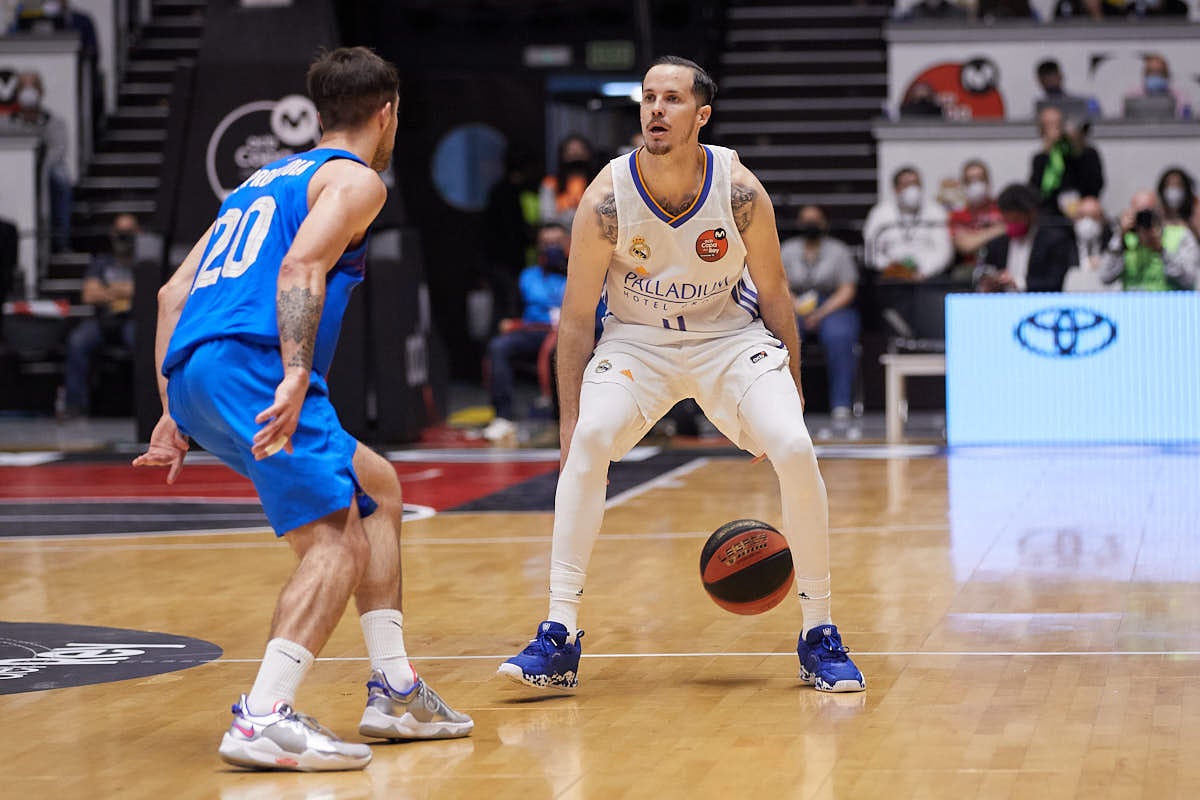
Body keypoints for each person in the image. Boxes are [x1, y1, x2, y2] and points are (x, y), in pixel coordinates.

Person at [132, 47, 472, 772]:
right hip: (255, 365)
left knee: (376, 485)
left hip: (195, 369)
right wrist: (292, 373)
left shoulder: (259, 181)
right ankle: (262, 717)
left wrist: (172, 409)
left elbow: (169, 295)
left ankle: (396, 690)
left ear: (319, 115)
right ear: (387, 115)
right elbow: (300, 268)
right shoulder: (355, 181)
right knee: (336, 543)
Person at [497, 56, 865, 694]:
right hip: (637, 344)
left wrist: (794, 389)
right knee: (587, 443)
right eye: (647, 98)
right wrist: (567, 424)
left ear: (702, 115)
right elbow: (576, 318)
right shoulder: (607, 199)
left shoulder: (740, 190)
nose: (655, 110)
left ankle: (818, 632)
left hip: (730, 340)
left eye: (671, 99)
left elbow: (776, 296)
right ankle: (558, 634)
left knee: (795, 446)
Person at [483, 222, 570, 442]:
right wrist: (508, 321)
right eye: (546, 244)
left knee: (559, 353)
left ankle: (564, 420)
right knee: (499, 347)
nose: (551, 248)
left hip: (570, 333)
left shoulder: (581, 272)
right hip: (535, 331)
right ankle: (503, 417)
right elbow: (513, 311)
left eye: (556, 243)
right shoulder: (527, 276)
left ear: (568, 244)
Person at [779, 205, 860, 420]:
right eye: (806, 220)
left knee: (840, 337)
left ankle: (841, 403)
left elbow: (848, 289)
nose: (810, 225)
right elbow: (778, 284)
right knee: (783, 340)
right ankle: (786, 402)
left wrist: (820, 313)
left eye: (815, 220)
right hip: (793, 303)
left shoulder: (839, 251)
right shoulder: (786, 250)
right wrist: (796, 306)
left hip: (831, 305)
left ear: (824, 223)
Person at [60, 214, 138, 417]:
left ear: (138, 234)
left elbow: (147, 291)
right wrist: (126, 290)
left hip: (132, 320)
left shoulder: (143, 263)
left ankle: (148, 405)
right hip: (104, 320)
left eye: (128, 233)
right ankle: (74, 405)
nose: (124, 238)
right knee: (77, 341)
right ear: (112, 235)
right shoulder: (102, 263)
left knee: (145, 343)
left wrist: (108, 290)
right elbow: (89, 294)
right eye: (120, 233)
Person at [4, 71, 72, 252]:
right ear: (17, 93)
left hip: (47, 169)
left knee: (61, 178)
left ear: (40, 91)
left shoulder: (55, 122)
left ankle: (61, 240)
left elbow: (58, 151)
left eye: (32, 86)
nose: (28, 91)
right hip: (14, 172)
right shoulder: (5, 124)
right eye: (24, 87)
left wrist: (39, 169)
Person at [975, 183, 1076, 292]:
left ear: (1031, 214)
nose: (1013, 223)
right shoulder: (996, 244)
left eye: (1017, 219)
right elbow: (986, 272)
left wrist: (1017, 282)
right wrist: (991, 281)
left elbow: (1055, 282)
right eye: (1009, 219)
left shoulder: (1054, 242)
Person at [863, 166, 952, 280]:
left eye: (916, 184)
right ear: (896, 189)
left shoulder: (936, 211)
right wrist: (892, 268)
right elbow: (871, 251)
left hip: (930, 277)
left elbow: (944, 251)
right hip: (890, 277)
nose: (912, 189)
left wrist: (924, 271)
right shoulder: (880, 212)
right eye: (906, 185)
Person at [1100, 189, 1200, 290]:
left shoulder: (1180, 235)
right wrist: (1119, 237)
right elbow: (1105, 277)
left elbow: (1189, 279)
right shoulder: (1124, 240)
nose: (1144, 219)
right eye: (1139, 214)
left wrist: (1161, 250)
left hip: (1170, 304)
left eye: (1149, 213)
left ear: (1160, 211)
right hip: (1133, 304)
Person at [1029, 105, 1103, 220]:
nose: (1057, 129)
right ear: (1042, 131)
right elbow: (1037, 192)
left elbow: (1095, 185)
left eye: (1059, 124)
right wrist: (1051, 151)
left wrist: (1075, 144)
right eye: (1050, 125)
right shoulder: (1040, 159)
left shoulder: (1086, 154)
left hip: (1082, 210)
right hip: (1051, 214)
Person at [948, 159, 1006, 270]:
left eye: (980, 179)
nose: (975, 185)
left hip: (1000, 264)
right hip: (970, 267)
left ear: (988, 182)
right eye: (970, 180)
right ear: (963, 185)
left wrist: (975, 236)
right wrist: (997, 230)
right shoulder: (957, 215)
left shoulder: (1001, 208)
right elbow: (965, 246)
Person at [540, 133, 596, 228]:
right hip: (560, 232)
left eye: (580, 151)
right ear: (562, 156)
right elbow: (547, 216)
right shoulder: (550, 182)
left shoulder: (598, 181)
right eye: (571, 151)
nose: (575, 154)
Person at [1063, 196, 1118, 291]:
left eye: (1093, 217)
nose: (1087, 222)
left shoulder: (1111, 243)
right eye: (1082, 216)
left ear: (1102, 219)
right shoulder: (1062, 245)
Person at [1124, 54, 1191, 119]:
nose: (1155, 75)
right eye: (1151, 72)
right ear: (1145, 74)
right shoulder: (1132, 95)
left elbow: (1185, 121)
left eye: (1159, 72)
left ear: (1166, 74)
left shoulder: (1179, 96)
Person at [1033, 59, 1100, 119]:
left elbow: (1097, 120)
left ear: (1060, 76)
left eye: (1052, 76)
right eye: (1046, 78)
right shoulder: (1036, 108)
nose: (1050, 80)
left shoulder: (1088, 102)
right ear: (1040, 80)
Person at [1158, 167, 1197, 235]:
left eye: (1178, 185)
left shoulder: (1195, 215)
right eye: (1169, 185)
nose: (1174, 189)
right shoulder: (1156, 219)